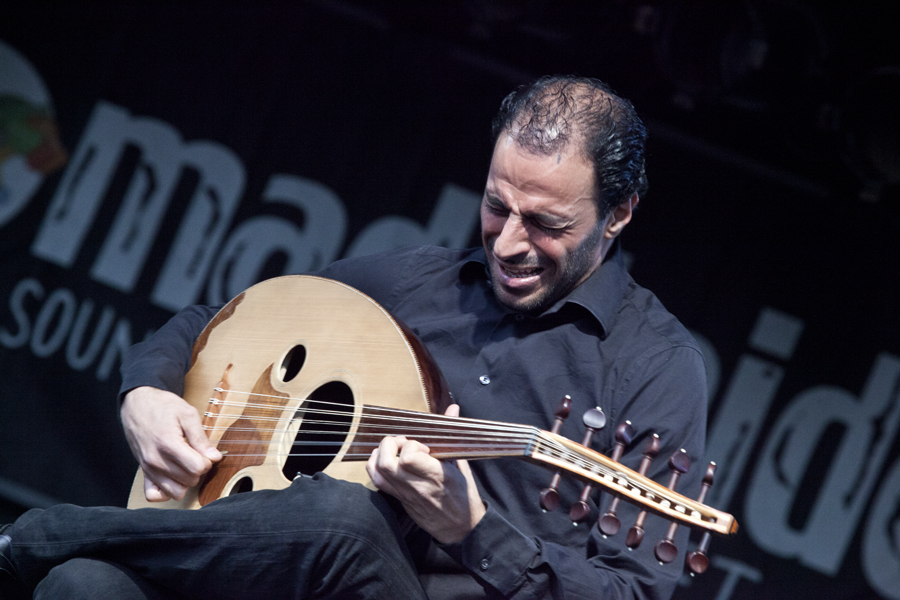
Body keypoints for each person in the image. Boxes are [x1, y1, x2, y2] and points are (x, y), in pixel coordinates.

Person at [0, 75, 708, 600]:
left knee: (345, 512)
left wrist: (473, 530)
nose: (510, 242)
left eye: (548, 224)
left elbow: (636, 593)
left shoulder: (653, 368)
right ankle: (67, 548)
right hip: (278, 584)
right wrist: (146, 390)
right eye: (496, 207)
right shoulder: (413, 285)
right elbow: (210, 322)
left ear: (617, 215)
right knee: (83, 589)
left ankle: (33, 536)